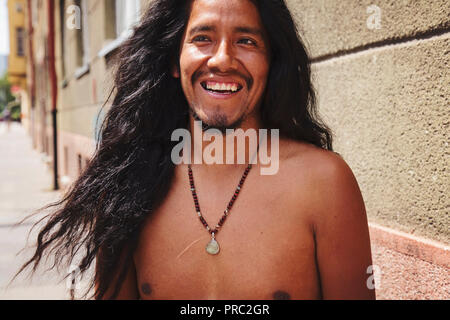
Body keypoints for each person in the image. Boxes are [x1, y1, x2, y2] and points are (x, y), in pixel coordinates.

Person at [17, 0, 375, 300]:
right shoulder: (129, 184)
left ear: (271, 62)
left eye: (247, 41)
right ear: (174, 61)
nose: (222, 59)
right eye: (202, 38)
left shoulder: (324, 184)